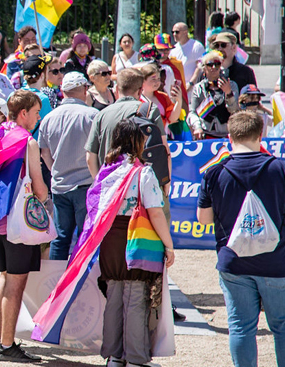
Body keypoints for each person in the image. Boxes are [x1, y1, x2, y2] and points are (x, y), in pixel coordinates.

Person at [197, 111, 285, 367]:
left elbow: (204, 219)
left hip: (234, 263)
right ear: (261, 135)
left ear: (230, 136)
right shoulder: (279, 167)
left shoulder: (215, 172)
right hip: (277, 263)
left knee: (241, 327)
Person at [91, 118, 174, 367]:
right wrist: (168, 245)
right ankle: (136, 358)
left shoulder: (106, 170)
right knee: (137, 297)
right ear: (137, 142)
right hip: (137, 237)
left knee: (114, 295)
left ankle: (114, 356)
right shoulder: (142, 172)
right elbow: (156, 212)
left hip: (110, 239)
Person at [0, 90, 49, 362]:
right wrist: (43, 196)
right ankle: (7, 345)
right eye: (35, 112)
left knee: (4, 277)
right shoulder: (27, 142)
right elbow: (40, 189)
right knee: (16, 284)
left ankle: (1, 339)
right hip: (17, 224)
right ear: (23, 113)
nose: (38, 117)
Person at [39, 72, 98, 260]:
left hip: (60, 185)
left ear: (63, 91)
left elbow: (44, 152)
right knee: (85, 236)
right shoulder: (92, 115)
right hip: (85, 184)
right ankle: (82, 282)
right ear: (85, 90)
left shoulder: (49, 118)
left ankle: (57, 283)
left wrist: (55, 170)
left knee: (60, 238)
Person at [86, 68, 166, 171]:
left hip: (109, 183)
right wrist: (165, 185)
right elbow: (163, 150)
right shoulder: (150, 110)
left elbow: (90, 157)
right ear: (140, 90)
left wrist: (100, 183)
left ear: (116, 89)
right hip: (140, 182)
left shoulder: (101, 115)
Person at [188, 51, 240, 140]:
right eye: (210, 64)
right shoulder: (198, 88)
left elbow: (235, 111)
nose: (214, 67)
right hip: (205, 133)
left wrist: (228, 93)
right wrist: (197, 127)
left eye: (217, 64)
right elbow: (192, 112)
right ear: (204, 67)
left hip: (226, 133)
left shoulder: (231, 85)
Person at [138, 62, 181, 126]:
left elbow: (171, 119)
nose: (157, 82)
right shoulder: (136, 99)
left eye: (158, 79)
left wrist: (179, 101)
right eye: (153, 79)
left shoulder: (163, 97)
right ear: (143, 81)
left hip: (162, 134)